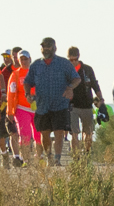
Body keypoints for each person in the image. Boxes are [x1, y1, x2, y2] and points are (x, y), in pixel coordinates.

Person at [26, 38, 80, 166]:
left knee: (59, 132)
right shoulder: (36, 65)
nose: (46, 49)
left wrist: (70, 88)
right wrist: (27, 94)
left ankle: (57, 159)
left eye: (49, 47)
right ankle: (49, 157)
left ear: (55, 48)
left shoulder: (64, 63)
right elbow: (27, 82)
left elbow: (76, 79)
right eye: (44, 47)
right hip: (42, 105)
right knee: (44, 134)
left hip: (60, 103)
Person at [64, 46, 103, 158]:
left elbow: (95, 85)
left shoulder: (87, 70)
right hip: (72, 106)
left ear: (78, 57)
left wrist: (100, 99)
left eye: (75, 59)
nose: (73, 62)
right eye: (70, 60)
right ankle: (76, 156)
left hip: (87, 105)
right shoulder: (65, 71)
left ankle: (86, 153)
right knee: (75, 133)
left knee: (89, 133)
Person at [3, 47, 33, 165]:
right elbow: (11, 94)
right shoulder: (15, 74)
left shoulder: (36, 72)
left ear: (30, 59)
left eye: (26, 59)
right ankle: (25, 159)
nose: (24, 61)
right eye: (22, 59)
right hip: (21, 108)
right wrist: (10, 111)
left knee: (37, 134)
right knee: (24, 134)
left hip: (36, 108)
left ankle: (39, 156)